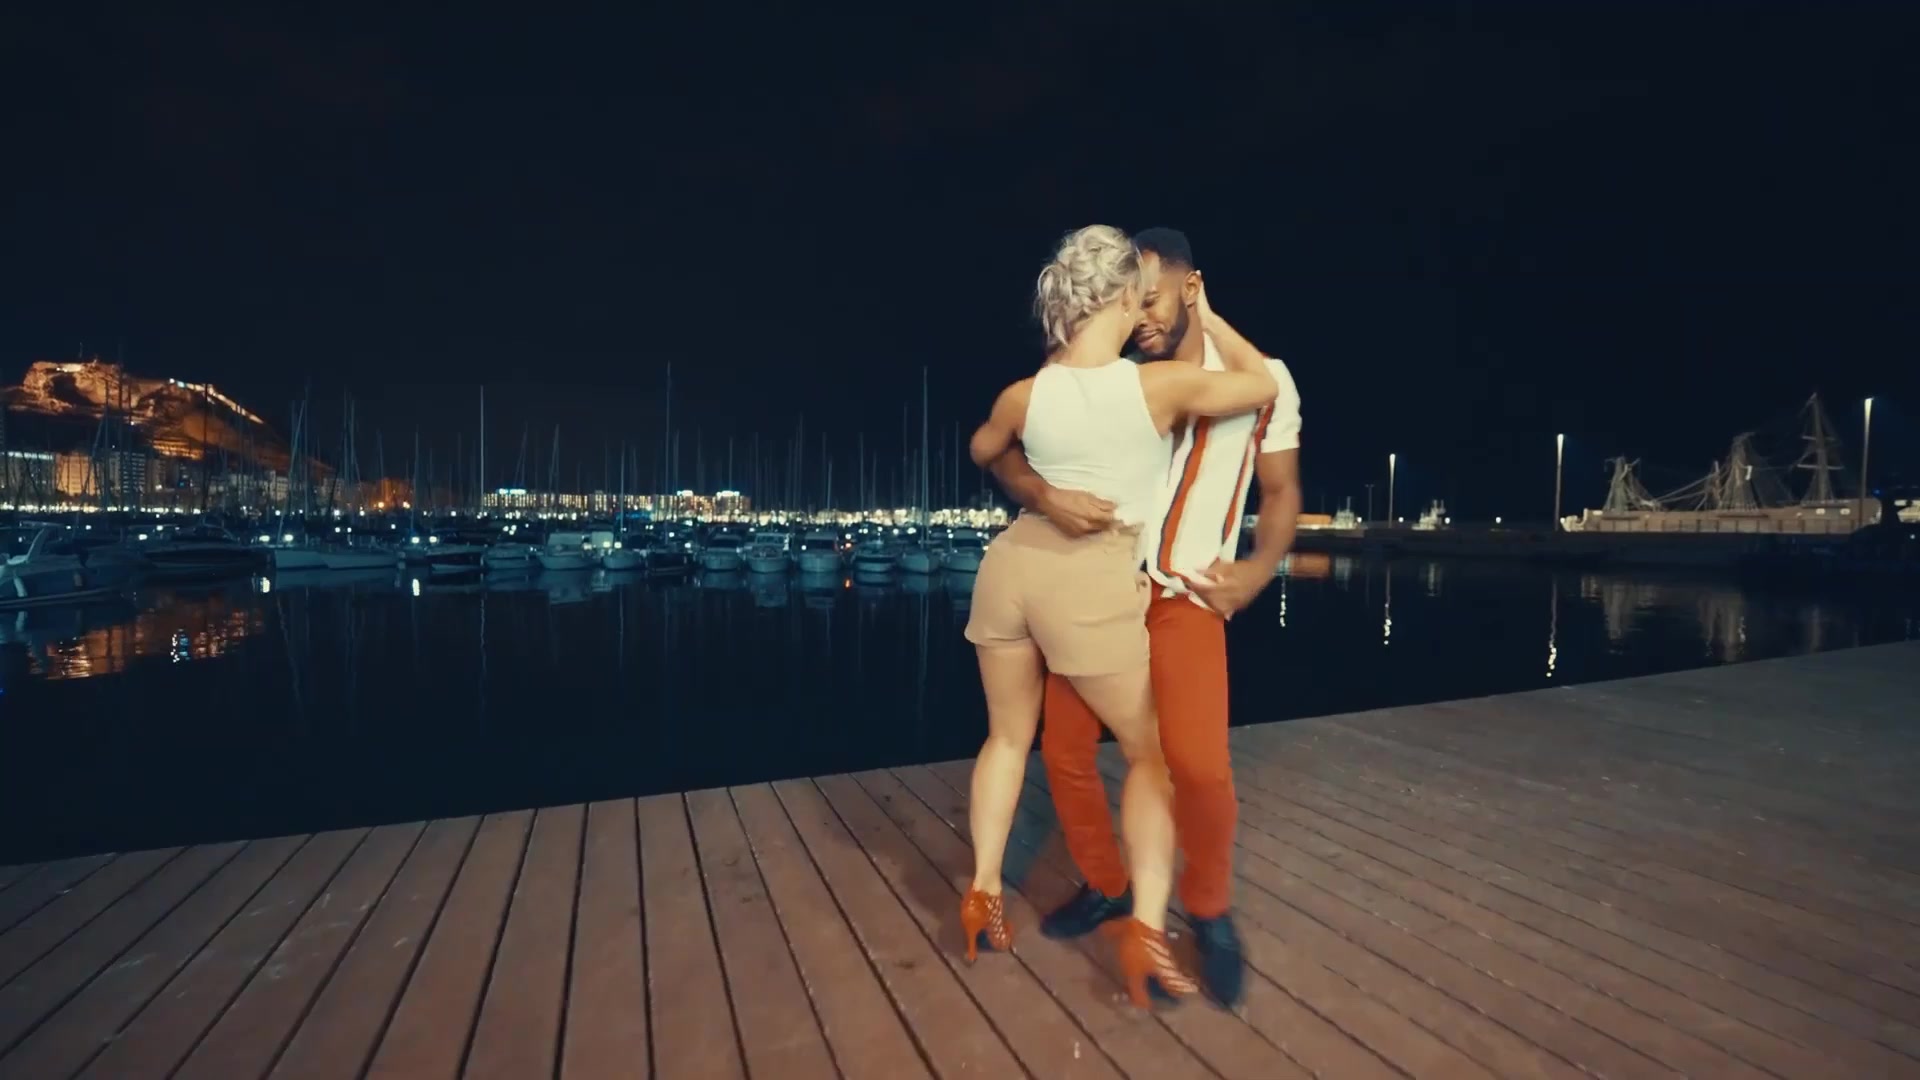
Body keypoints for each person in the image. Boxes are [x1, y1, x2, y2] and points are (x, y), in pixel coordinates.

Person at [961, 224, 1279, 1007]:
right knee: (1154, 758)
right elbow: (1261, 384)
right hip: (1088, 582)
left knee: (1007, 738)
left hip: (1009, 569)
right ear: (1122, 295)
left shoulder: (1025, 393)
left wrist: (1043, 492)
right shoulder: (1155, 388)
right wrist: (1210, 312)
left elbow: (982, 450)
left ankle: (983, 896)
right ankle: (1144, 930)